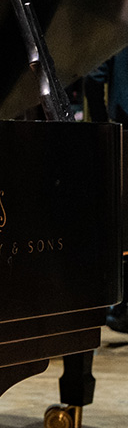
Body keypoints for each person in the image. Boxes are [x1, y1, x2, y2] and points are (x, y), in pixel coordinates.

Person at [84, 48, 128, 334]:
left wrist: (103, 127)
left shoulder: (119, 26)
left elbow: (93, 77)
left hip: (125, 128)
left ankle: (123, 306)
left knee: (123, 220)